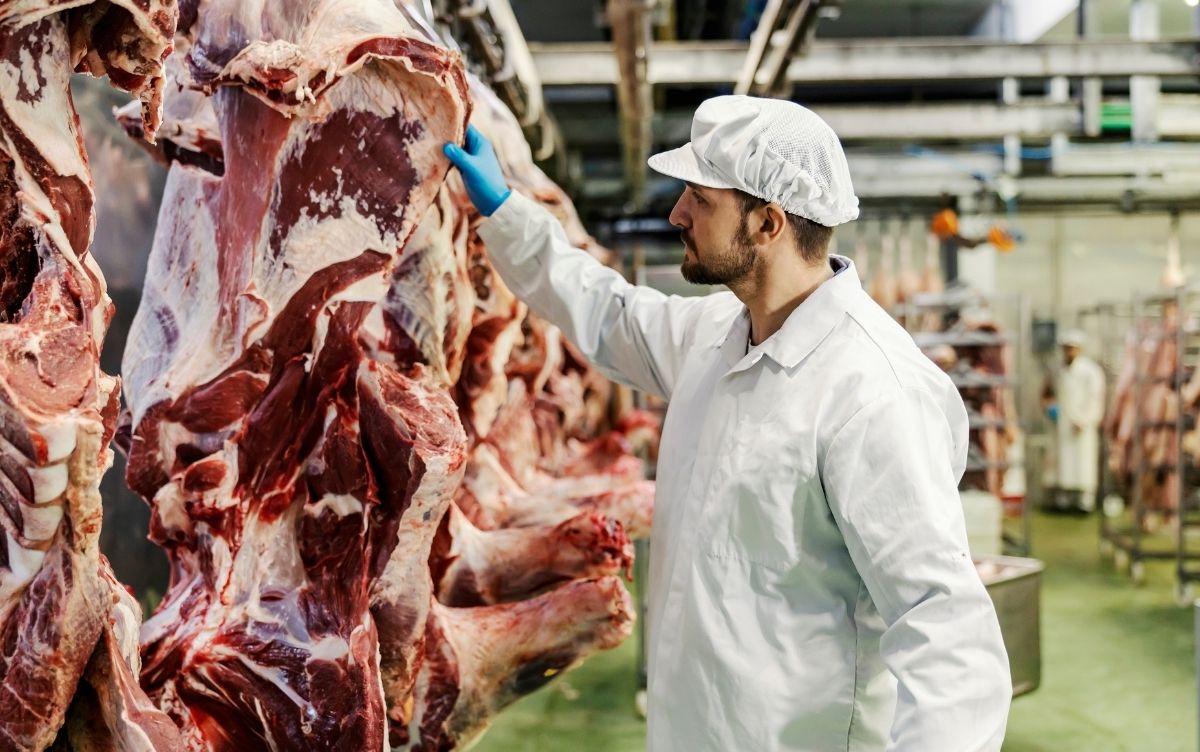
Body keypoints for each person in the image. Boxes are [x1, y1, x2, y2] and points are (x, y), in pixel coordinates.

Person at [444, 95, 1011, 752]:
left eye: (699, 198)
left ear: (767, 224)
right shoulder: (712, 337)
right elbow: (608, 312)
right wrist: (505, 212)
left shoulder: (873, 390)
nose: (677, 214)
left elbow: (947, 638)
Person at [1051, 330, 1106, 513]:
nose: (1069, 351)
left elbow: (1095, 398)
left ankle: (1085, 502)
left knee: (1084, 463)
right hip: (1063, 423)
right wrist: (1052, 411)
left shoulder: (1091, 371)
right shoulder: (1058, 369)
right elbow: (1051, 393)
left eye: (1072, 348)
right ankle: (1064, 501)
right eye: (1066, 348)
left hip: (1084, 424)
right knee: (1063, 463)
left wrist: (1085, 419)